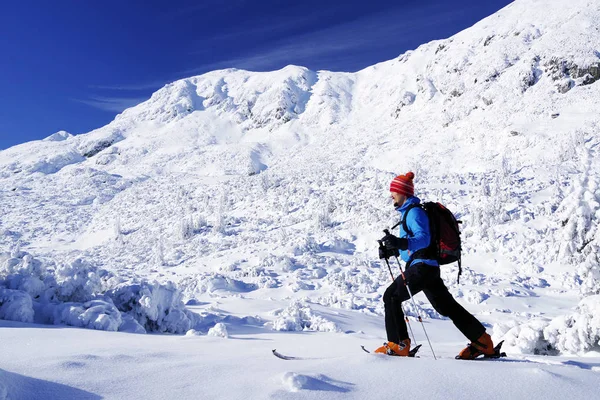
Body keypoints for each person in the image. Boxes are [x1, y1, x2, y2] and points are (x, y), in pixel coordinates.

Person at [374, 171, 495, 359]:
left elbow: (423, 239)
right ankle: (483, 342)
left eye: (394, 192)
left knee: (391, 296)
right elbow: (412, 246)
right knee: (447, 307)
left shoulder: (414, 213)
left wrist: (400, 243)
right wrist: (393, 249)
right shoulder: (411, 213)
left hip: (422, 268)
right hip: (428, 269)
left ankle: (399, 345)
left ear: (403, 193)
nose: (391, 195)